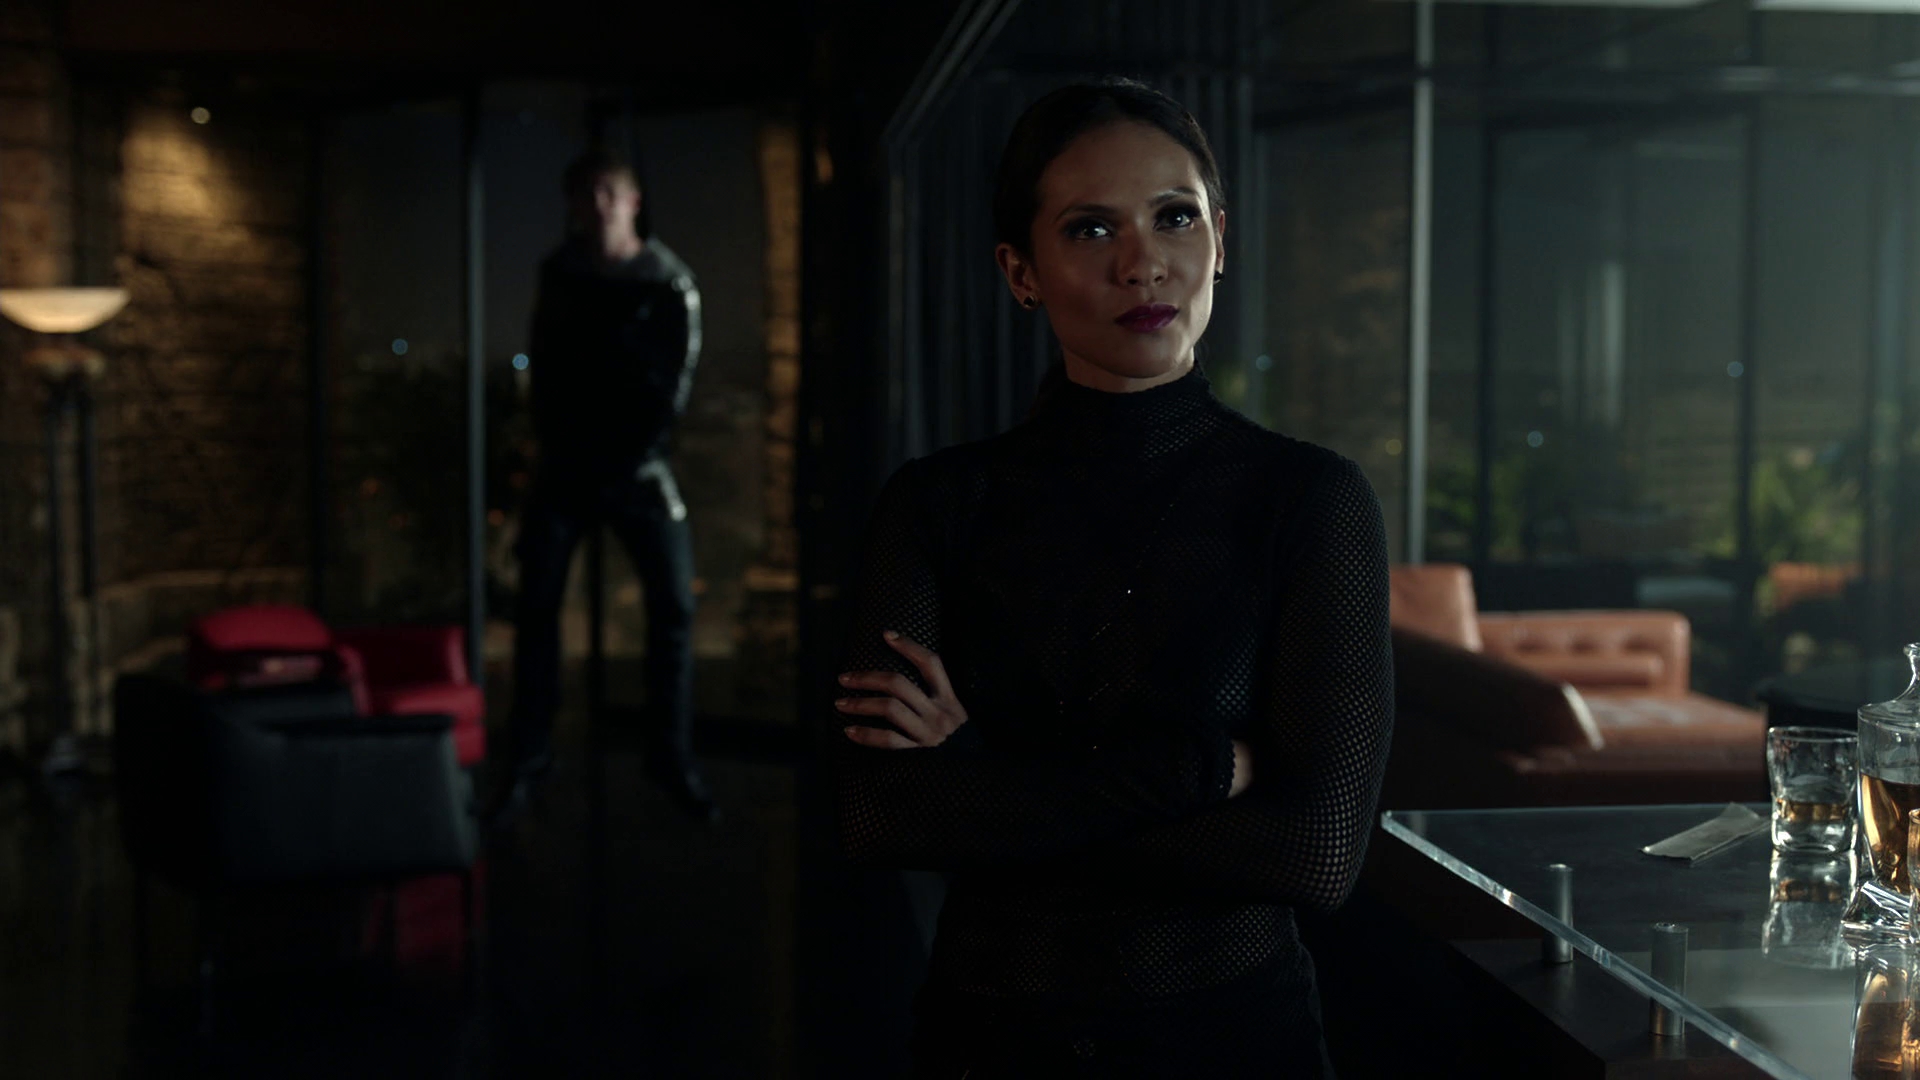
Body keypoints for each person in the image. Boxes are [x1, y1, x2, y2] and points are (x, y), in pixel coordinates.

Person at [831, 79, 1392, 1077]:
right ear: (1021, 272)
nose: (1143, 263)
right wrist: (1197, 773)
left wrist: (983, 785)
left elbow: (1316, 853)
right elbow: (880, 815)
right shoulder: (937, 503)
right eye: (1091, 230)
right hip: (987, 1042)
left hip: (1232, 1045)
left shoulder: (1308, 499)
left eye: (1174, 217)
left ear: (1220, 239)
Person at [502, 147, 714, 823]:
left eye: (609, 194)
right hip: (567, 467)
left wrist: (625, 456)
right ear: (572, 204)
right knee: (537, 606)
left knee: (674, 609)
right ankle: (530, 749)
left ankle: (670, 754)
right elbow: (546, 369)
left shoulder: (669, 282)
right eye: (586, 195)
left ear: (632, 202)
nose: (598, 207)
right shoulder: (561, 273)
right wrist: (556, 449)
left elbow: (670, 391)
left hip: (638, 469)